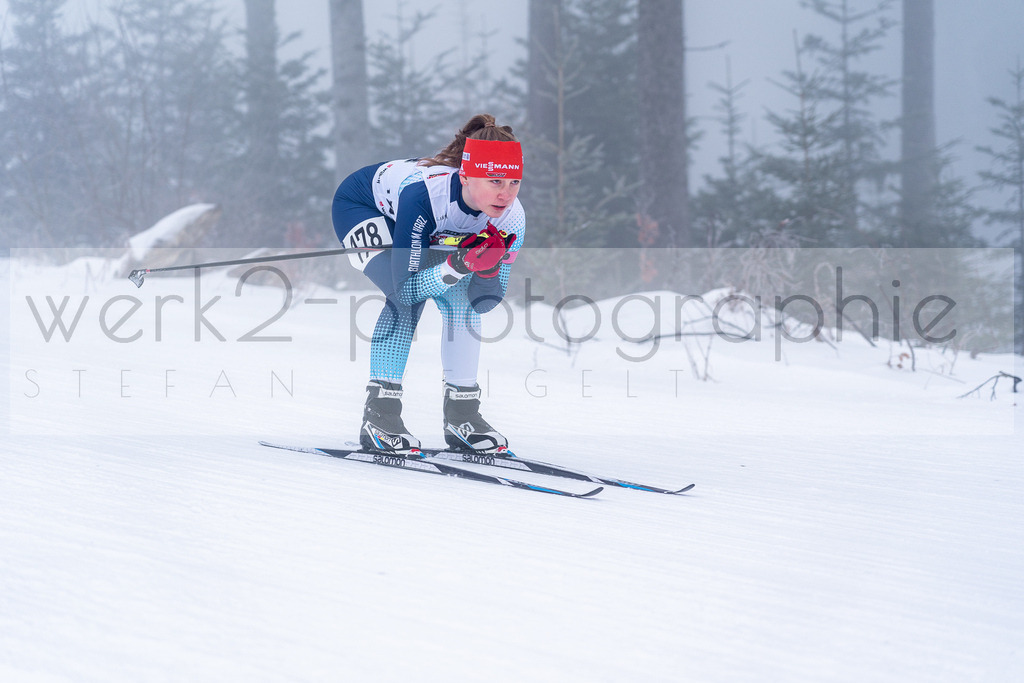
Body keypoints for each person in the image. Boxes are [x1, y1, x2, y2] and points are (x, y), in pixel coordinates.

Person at [331, 114, 525, 457]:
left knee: (462, 305)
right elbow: (405, 289)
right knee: (404, 302)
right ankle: (380, 415)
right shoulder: (426, 196)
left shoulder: (513, 218)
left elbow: (486, 301)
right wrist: (461, 263)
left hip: (428, 227)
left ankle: (463, 416)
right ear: (465, 176)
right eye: (495, 181)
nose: (505, 194)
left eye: (514, 183)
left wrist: (486, 269)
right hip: (362, 207)